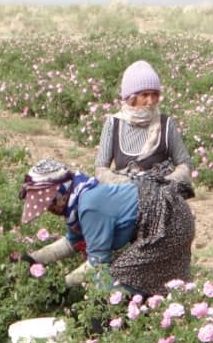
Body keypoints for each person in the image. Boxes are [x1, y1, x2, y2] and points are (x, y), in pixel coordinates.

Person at [20, 157, 195, 296]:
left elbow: (98, 263)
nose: (48, 209)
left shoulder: (89, 206)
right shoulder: (80, 198)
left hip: (169, 221)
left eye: (49, 203)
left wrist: (62, 285)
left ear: (61, 193)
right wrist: (32, 259)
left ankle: (126, 320)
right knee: (129, 276)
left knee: (114, 282)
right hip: (167, 215)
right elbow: (72, 242)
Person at [94, 60, 193, 194]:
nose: (150, 101)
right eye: (144, 95)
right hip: (125, 196)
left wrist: (163, 184)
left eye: (155, 94)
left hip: (161, 197)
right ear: (131, 98)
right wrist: (129, 184)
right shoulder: (113, 123)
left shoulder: (166, 123)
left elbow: (185, 164)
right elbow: (100, 169)